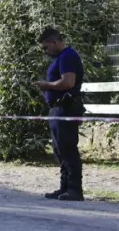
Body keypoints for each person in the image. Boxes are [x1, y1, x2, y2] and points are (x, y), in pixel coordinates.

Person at [34, 28, 85, 201]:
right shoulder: (61, 58)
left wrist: (46, 85)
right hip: (58, 108)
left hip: (66, 107)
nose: (45, 51)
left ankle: (74, 189)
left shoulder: (67, 56)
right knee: (59, 149)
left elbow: (68, 82)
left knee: (68, 148)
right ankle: (64, 187)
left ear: (54, 42)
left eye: (46, 47)